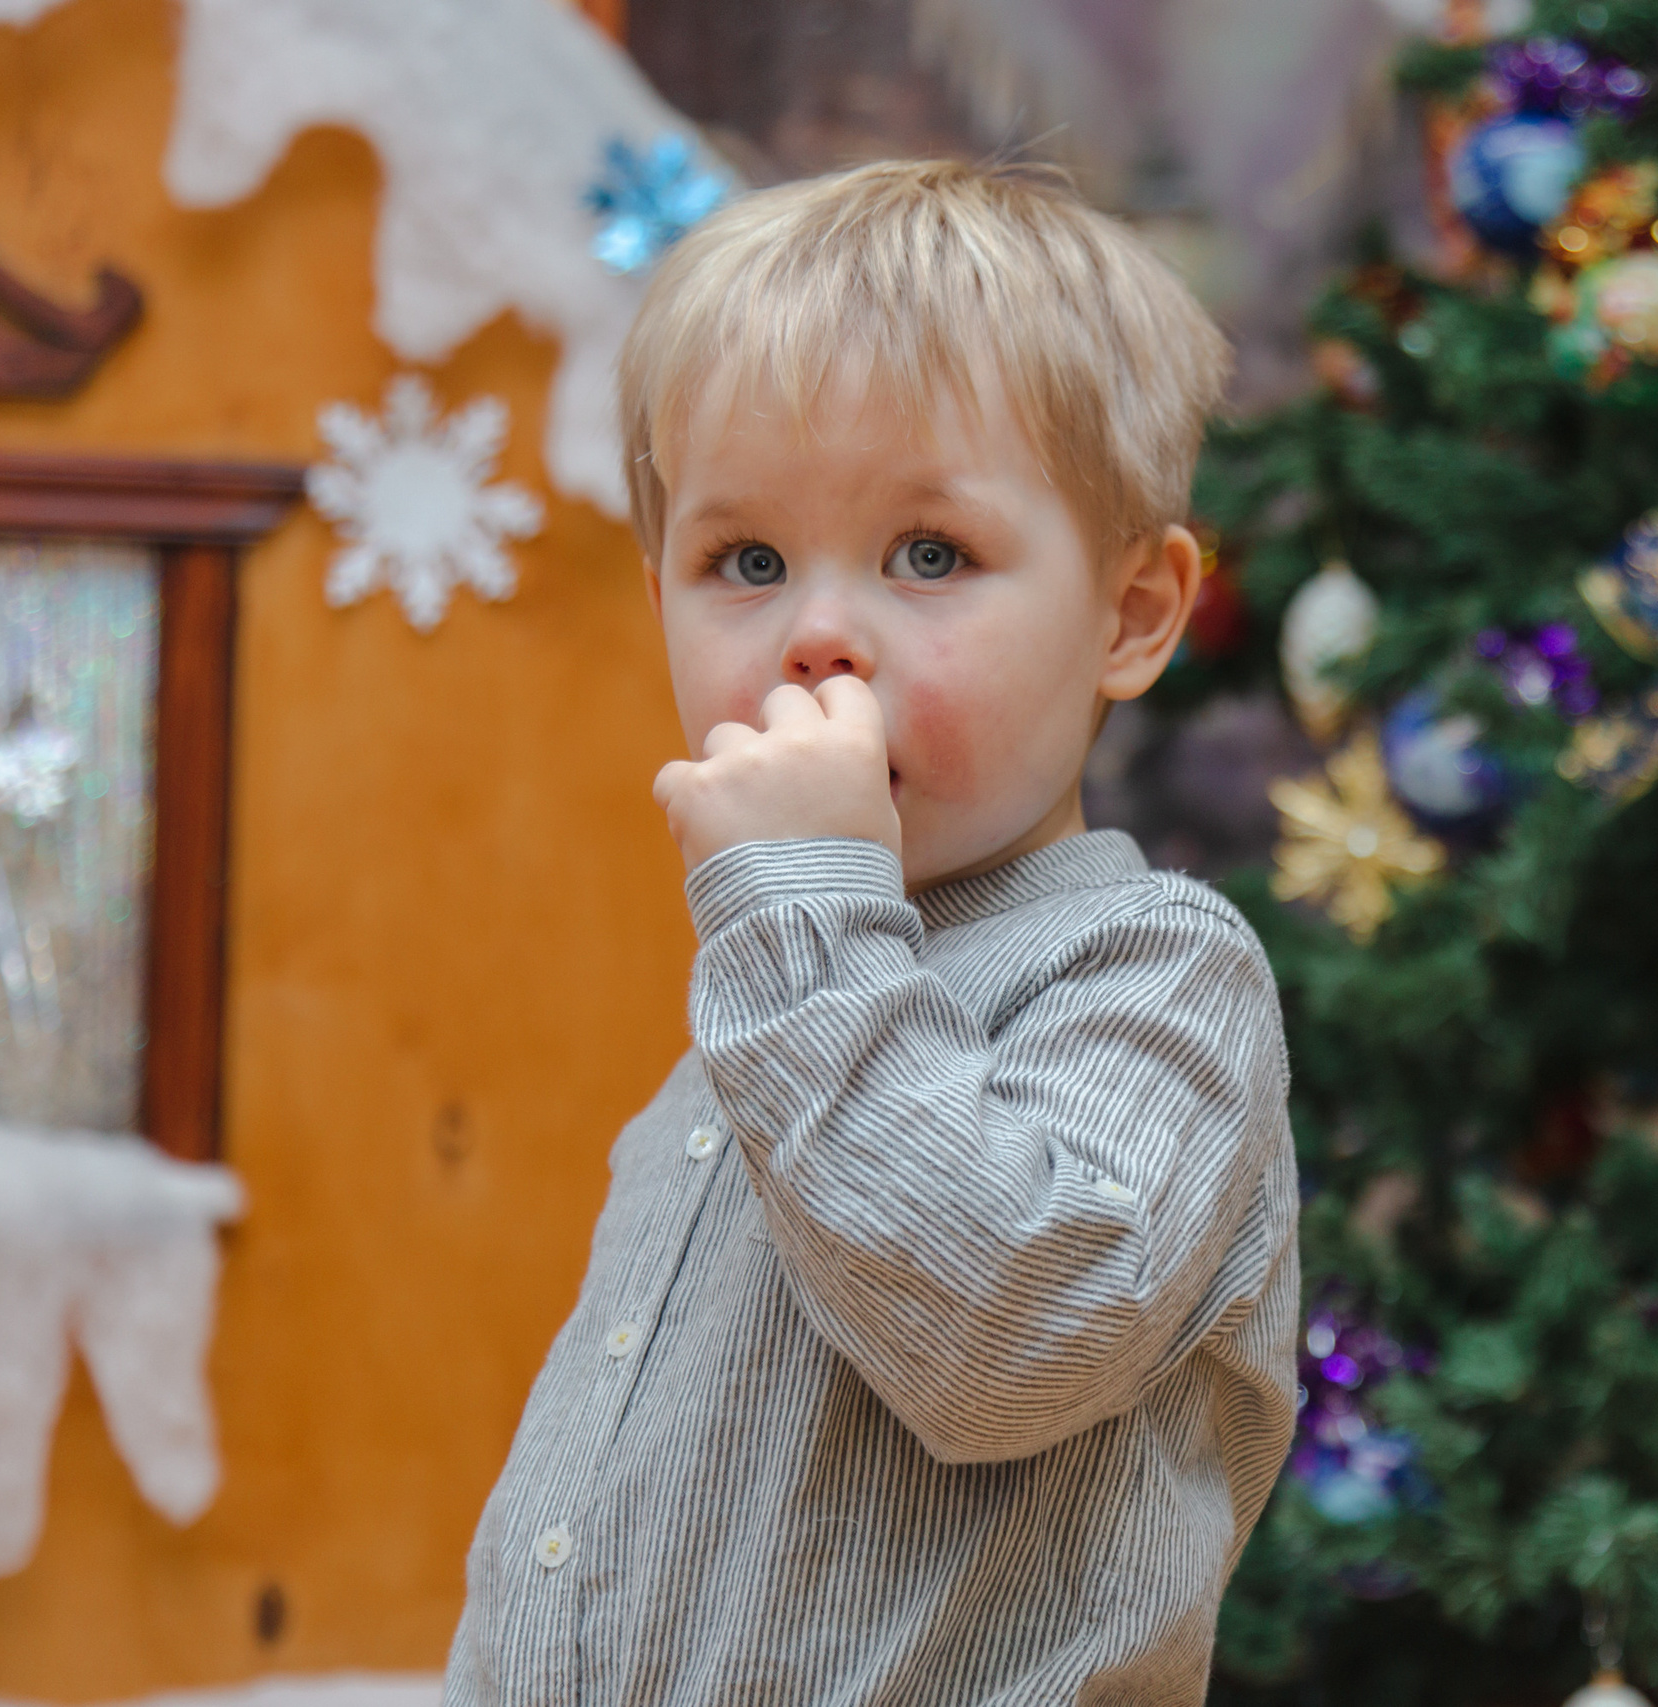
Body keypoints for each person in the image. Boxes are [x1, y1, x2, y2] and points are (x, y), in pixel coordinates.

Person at [443, 159, 1298, 1706]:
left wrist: (806, 914)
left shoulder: (1155, 969)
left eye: (928, 555)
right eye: (745, 564)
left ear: (1130, 615)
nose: (813, 633)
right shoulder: (768, 1016)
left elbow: (1007, 1342)